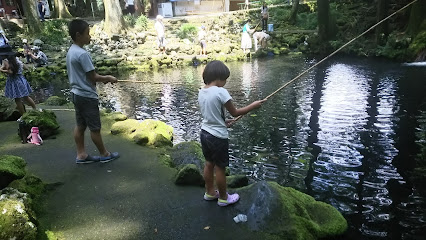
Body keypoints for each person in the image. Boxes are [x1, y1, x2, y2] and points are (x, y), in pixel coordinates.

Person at [198, 60, 265, 206]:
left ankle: (209, 192)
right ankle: (223, 198)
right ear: (219, 77)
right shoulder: (221, 91)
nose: (226, 82)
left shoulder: (202, 91)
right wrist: (253, 106)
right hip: (217, 137)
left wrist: (223, 121)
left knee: (209, 163)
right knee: (220, 167)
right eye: (225, 79)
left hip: (205, 133)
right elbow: (235, 113)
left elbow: (211, 115)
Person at [66, 19, 120, 164]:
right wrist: (108, 77)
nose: (90, 37)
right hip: (86, 96)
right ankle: (104, 154)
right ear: (78, 35)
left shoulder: (71, 51)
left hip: (76, 93)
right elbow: (93, 77)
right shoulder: (83, 54)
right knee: (95, 128)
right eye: (87, 34)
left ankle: (81, 155)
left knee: (80, 125)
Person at [0, 46, 38, 117]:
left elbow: (10, 72)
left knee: (17, 99)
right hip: (21, 78)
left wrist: (2, 70)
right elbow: (25, 67)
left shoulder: (6, 61)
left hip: (14, 80)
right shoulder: (16, 59)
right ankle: (35, 109)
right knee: (26, 97)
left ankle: (23, 116)